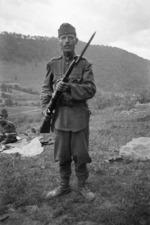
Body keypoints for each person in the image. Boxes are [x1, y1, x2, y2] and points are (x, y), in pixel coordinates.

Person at [41, 23, 96, 202]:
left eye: (70, 38)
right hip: (59, 118)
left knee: (80, 153)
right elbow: (45, 90)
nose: (67, 41)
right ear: (59, 42)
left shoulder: (84, 65)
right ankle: (64, 186)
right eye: (63, 38)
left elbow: (90, 90)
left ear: (76, 41)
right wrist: (45, 109)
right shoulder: (52, 64)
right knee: (62, 154)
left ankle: (82, 186)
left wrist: (70, 87)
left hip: (79, 116)